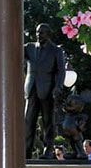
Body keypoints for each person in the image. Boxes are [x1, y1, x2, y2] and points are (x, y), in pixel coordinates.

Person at [23, 23, 67, 159]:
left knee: (48, 121)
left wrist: (58, 87)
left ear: (48, 34)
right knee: (28, 120)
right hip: (31, 89)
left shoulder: (56, 51)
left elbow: (61, 71)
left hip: (47, 90)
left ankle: (48, 150)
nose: (38, 35)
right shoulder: (29, 48)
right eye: (37, 32)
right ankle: (26, 151)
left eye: (41, 33)